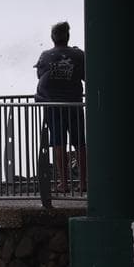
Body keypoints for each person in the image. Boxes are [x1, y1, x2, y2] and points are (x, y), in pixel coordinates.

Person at [35, 22, 86, 193]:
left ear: (52, 38)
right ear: (68, 36)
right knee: (79, 143)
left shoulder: (45, 56)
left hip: (53, 105)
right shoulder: (78, 55)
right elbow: (87, 75)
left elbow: (40, 76)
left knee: (58, 143)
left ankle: (63, 183)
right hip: (75, 104)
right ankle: (84, 182)